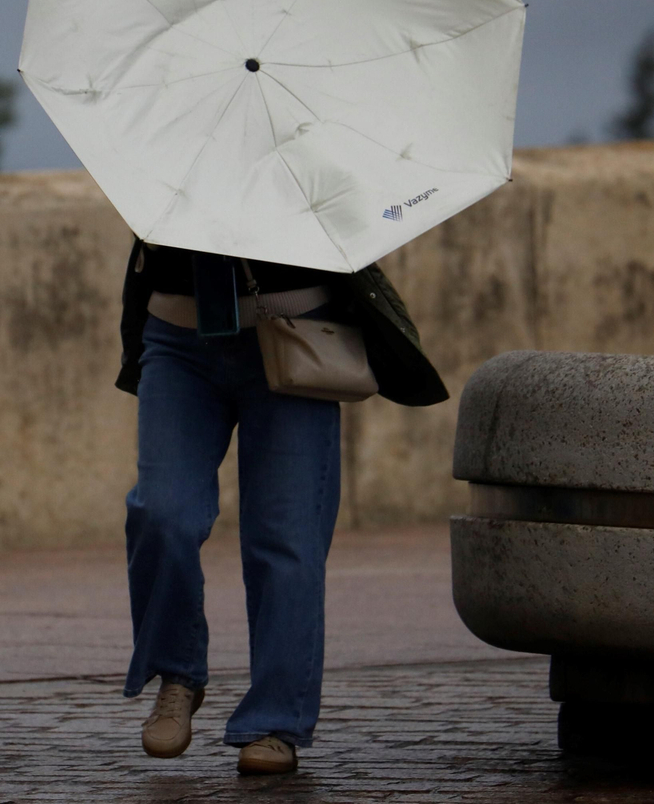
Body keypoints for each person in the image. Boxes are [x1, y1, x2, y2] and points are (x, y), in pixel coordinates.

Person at [116, 243, 446, 776]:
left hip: (295, 327)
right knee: (162, 512)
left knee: (286, 536)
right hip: (176, 337)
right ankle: (177, 675)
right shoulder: (174, 158)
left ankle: (275, 721)